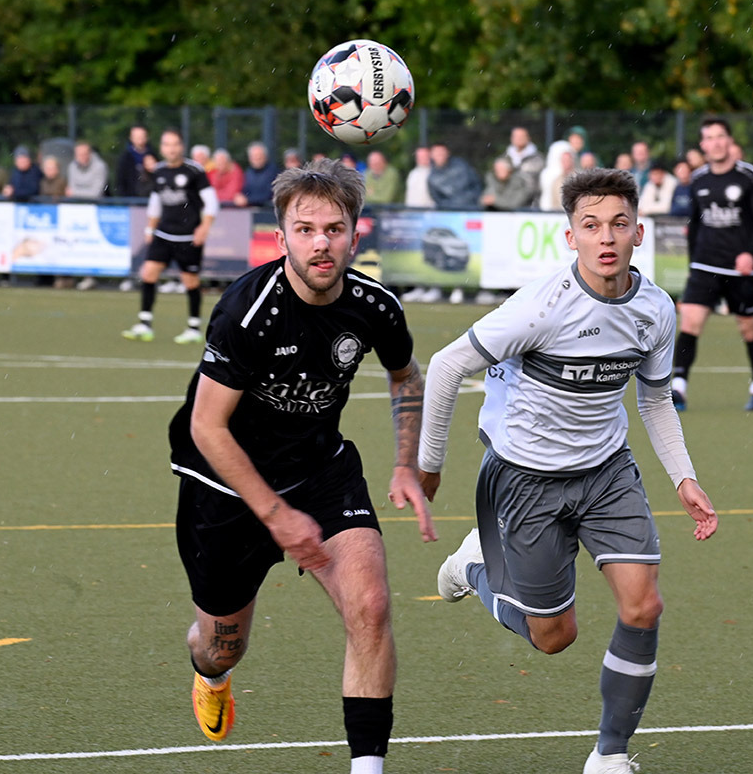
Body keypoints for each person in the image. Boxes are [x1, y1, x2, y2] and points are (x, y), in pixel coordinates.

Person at [418, 168, 718, 774]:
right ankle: (475, 565)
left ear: (639, 232)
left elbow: (655, 399)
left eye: (618, 224)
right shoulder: (541, 307)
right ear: (570, 237)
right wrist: (429, 466)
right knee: (554, 636)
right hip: (526, 479)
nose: (605, 237)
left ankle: (610, 755)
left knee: (644, 607)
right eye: (590, 225)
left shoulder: (656, 311)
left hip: (607, 472)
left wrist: (684, 478)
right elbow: (447, 366)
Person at [170, 159, 436, 773]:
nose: (322, 242)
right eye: (307, 228)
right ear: (281, 235)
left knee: (369, 607)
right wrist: (275, 515)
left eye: (335, 229)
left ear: (355, 235)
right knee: (220, 648)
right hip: (227, 489)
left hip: (321, 472)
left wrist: (404, 462)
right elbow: (205, 427)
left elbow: (405, 374)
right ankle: (209, 675)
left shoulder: (375, 306)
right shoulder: (247, 310)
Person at [672, 118, 753, 412]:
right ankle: (679, 388)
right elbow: (694, 223)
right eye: (709, 138)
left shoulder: (749, 176)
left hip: (739, 268)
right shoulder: (699, 179)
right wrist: (692, 264)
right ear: (702, 145)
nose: (715, 142)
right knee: (690, 322)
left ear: (729, 140)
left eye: (720, 136)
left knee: (749, 329)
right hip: (705, 265)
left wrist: (750, 252)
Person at [122, 128, 219, 344]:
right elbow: (155, 203)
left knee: (190, 281)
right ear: (162, 147)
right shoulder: (159, 171)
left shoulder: (194, 171)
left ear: (181, 147)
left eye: (175, 144)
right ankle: (144, 324)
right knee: (148, 273)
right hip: (163, 234)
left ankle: (193, 327)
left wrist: (204, 228)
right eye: (166, 144)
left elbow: (211, 202)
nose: (171, 149)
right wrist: (149, 228)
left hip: (188, 237)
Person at [427, 143, 481, 208]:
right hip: (450, 212)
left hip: (471, 207)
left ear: (447, 153)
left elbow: (476, 183)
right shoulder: (432, 178)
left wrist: (471, 198)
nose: (440, 154)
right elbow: (438, 199)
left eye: (442, 152)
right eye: (437, 153)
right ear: (431, 155)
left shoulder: (462, 165)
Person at [505, 126, 544, 201]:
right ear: (511, 138)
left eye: (522, 136)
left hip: (531, 202)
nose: (519, 139)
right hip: (508, 201)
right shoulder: (504, 158)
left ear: (528, 138)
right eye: (516, 136)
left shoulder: (538, 159)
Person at [235, 141, 279, 207]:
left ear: (265, 157)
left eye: (259, 156)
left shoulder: (273, 172)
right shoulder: (248, 173)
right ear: (250, 158)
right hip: (250, 212)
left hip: (268, 211)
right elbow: (245, 190)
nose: (257, 158)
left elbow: (269, 194)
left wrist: (248, 200)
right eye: (254, 156)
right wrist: (239, 197)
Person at [116, 125, 152, 197]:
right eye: (137, 136)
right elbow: (120, 183)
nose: (140, 138)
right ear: (131, 138)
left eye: (142, 135)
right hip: (131, 201)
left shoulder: (152, 155)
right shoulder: (124, 158)